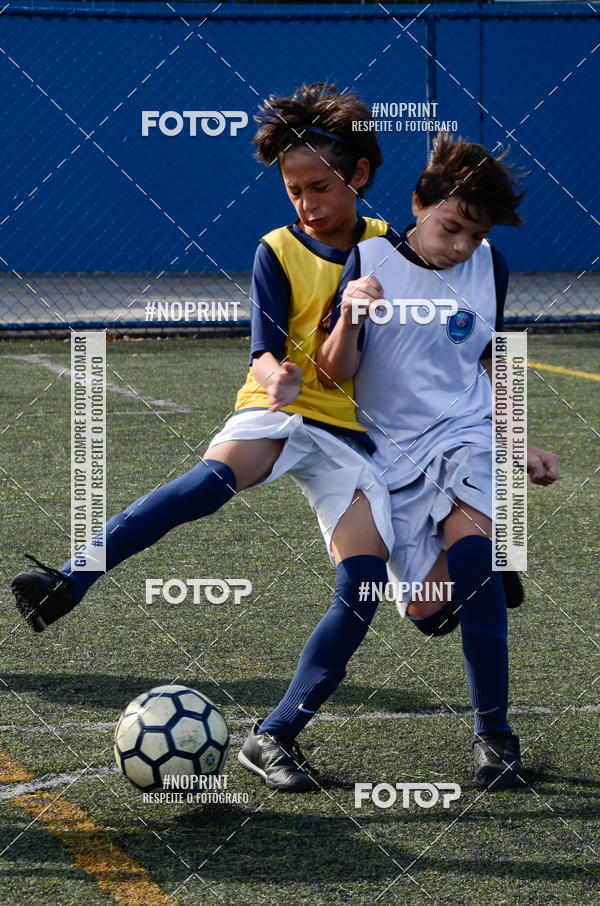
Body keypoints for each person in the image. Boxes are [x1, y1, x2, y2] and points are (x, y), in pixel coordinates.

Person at [11, 82, 396, 792]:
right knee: (206, 485)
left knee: (363, 582)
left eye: (319, 186)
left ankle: (275, 736)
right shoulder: (275, 250)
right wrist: (276, 370)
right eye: (293, 189)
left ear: (360, 176)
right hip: (278, 409)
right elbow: (262, 347)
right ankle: (67, 582)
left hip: (352, 434)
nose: (306, 201)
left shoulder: (391, 250)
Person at [316, 132, 559, 789]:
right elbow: (334, 372)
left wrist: (518, 441)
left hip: (467, 433)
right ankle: (478, 579)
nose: (461, 248)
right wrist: (350, 318)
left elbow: (491, 359)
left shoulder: (491, 268)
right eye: (452, 228)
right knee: (425, 610)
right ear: (419, 203)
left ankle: (495, 737)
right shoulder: (367, 258)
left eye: (474, 238)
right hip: (391, 454)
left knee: (475, 563)